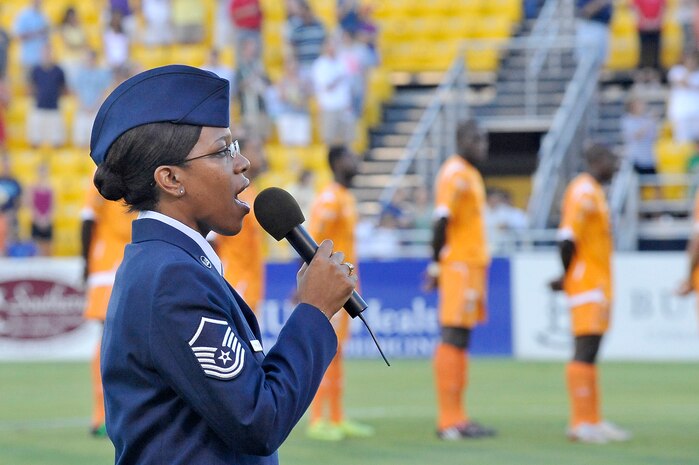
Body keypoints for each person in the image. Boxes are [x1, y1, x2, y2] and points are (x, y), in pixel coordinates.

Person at [91, 64, 356, 464]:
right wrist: (314, 312)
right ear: (170, 179)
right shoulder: (172, 277)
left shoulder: (172, 263)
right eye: (222, 150)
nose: (243, 162)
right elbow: (258, 420)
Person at [549, 144, 632, 444]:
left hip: (597, 284)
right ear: (598, 160)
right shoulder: (582, 191)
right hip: (587, 285)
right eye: (613, 159)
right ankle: (580, 422)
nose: (617, 165)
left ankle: (593, 419)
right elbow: (567, 238)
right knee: (584, 350)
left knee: (591, 351)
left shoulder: (594, 191)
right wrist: (567, 275)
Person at [424, 120, 496, 440]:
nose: (483, 145)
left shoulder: (471, 174)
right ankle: (448, 420)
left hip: (471, 266)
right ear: (461, 139)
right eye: (476, 139)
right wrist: (437, 265)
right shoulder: (454, 172)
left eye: (484, 139)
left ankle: (459, 417)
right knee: (452, 335)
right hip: (458, 267)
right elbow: (440, 221)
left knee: (462, 338)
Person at [306, 145, 374, 441]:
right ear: (336, 163)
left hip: (345, 285)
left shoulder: (345, 197)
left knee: (338, 352)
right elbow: (312, 243)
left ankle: (336, 416)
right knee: (326, 351)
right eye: (349, 157)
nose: (355, 161)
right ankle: (318, 419)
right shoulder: (329, 198)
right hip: (330, 285)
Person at [81, 178, 136, 437]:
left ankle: (112, 412)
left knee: (116, 336)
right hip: (111, 262)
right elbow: (87, 219)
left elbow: (87, 219)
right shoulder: (104, 178)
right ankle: (103, 414)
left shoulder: (112, 176)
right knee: (110, 335)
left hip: (121, 260)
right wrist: (86, 263)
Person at [211, 138, 267, 315]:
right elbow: (211, 239)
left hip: (251, 286)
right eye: (256, 149)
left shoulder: (251, 193)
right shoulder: (230, 194)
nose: (262, 156)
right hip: (234, 283)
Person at [28, 46, 67, 149]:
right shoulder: (36, 70)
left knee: (56, 139)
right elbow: (32, 86)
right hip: (39, 106)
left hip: (54, 107)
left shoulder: (58, 71)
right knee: (35, 139)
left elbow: (63, 88)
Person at [28, 162, 54, 256]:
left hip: (47, 219)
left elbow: (52, 205)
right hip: (36, 219)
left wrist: (47, 218)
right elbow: (31, 204)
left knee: (48, 245)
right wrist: (38, 218)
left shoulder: (50, 187)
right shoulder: (33, 187)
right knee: (36, 246)